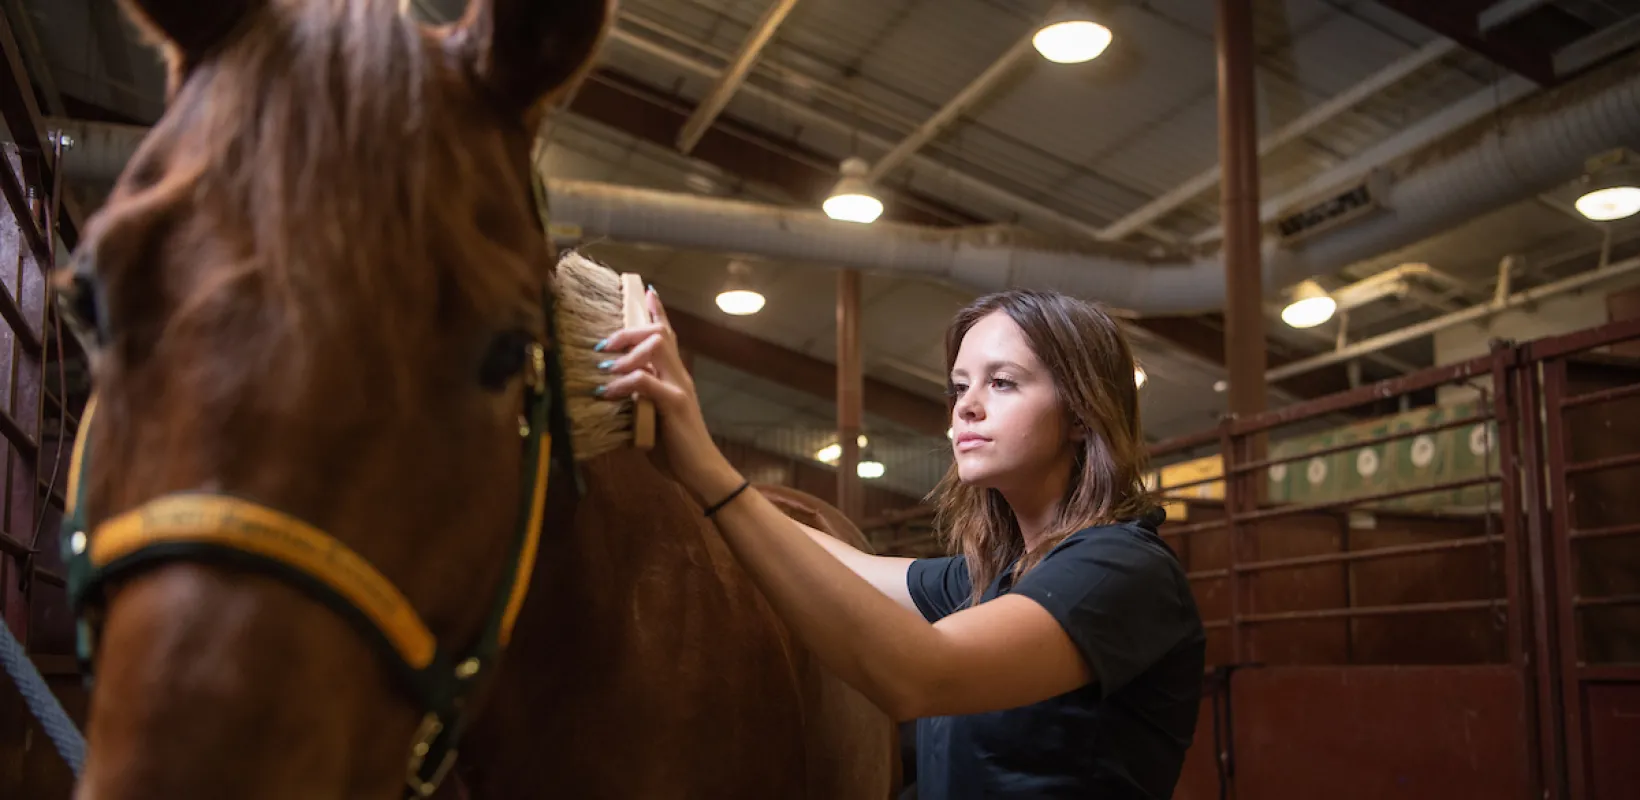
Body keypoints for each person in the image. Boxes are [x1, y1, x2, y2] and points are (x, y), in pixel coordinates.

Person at [594, 287, 1206, 799]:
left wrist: (708, 471)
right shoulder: (996, 578)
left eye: (1002, 383)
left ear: (1079, 414)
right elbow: (855, 567)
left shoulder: (1122, 571)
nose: (966, 406)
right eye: (959, 386)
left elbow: (922, 673)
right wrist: (686, 484)